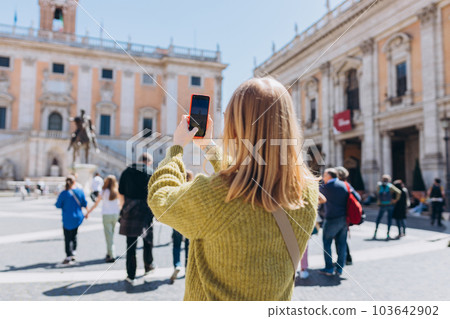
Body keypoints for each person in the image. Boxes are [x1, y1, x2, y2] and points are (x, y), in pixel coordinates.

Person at [147, 77, 318, 300]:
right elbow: (254, 175)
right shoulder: (308, 190)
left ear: (236, 127)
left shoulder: (218, 195)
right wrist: (208, 146)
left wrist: (176, 148)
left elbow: (160, 199)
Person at [118, 153, 155, 284]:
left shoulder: (127, 171)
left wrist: (123, 209)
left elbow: (121, 193)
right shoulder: (151, 172)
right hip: (146, 210)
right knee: (148, 241)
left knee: (130, 244)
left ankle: (131, 274)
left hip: (130, 209)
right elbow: (155, 194)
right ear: (149, 162)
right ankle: (148, 267)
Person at [319, 168, 360, 276]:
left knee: (327, 243)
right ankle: (340, 268)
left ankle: (329, 268)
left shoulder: (325, 187)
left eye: (325, 175)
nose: (323, 177)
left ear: (329, 176)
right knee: (342, 244)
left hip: (331, 218)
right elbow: (357, 197)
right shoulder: (345, 185)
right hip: (344, 219)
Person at [87, 175, 121, 262]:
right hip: (115, 215)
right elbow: (121, 203)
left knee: (108, 235)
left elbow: (96, 204)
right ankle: (109, 253)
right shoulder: (117, 191)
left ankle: (112, 255)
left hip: (107, 215)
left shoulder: (103, 191)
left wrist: (88, 212)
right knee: (111, 234)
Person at [55, 175, 88, 265]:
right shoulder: (80, 192)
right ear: (74, 182)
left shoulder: (63, 193)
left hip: (67, 218)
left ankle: (68, 255)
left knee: (67, 237)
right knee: (74, 236)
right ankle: (73, 253)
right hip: (77, 218)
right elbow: (84, 203)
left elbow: (58, 205)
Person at [170, 170, 194, 284]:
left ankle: (177, 264)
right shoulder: (193, 190)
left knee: (176, 245)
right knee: (188, 246)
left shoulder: (176, 190)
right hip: (189, 222)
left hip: (178, 222)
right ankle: (187, 267)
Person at [335, 166, 358, 266]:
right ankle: (347, 258)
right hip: (346, 216)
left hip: (339, 215)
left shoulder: (339, 185)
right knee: (342, 238)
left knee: (338, 239)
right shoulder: (348, 185)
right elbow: (358, 197)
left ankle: (342, 259)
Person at [373, 174, 401, 240]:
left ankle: (375, 233)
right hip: (389, 204)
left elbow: (377, 192)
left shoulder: (379, 186)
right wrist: (395, 200)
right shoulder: (390, 186)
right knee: (389, 220)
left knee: (378, 219)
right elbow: (399, 192)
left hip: (382, 204)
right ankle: (388, 234)